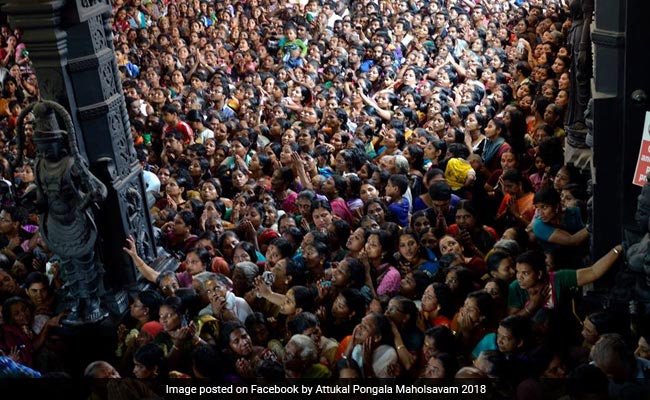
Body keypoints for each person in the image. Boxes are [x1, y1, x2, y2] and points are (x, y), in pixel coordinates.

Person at [31, 102, 108, 326]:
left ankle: (92, 301)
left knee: (85, 262)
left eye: (48, 146)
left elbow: (99, 190)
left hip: (76, 219)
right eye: (41, 147)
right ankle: (77, 301)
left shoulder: (71, 164)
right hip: (55, 221)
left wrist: (87, 200)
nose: (45, 151)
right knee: (66, 264)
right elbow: (41, 196)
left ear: (59, 143)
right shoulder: (39, 165)